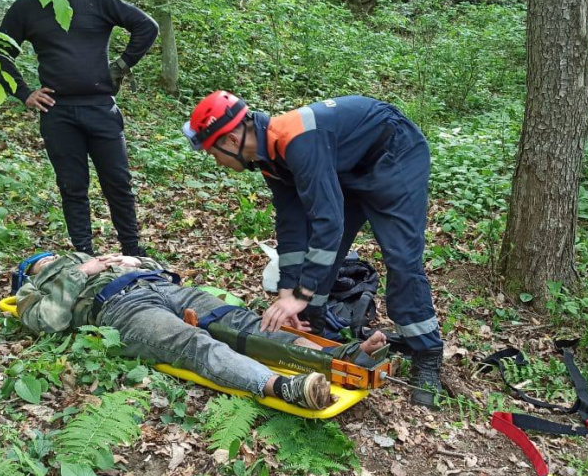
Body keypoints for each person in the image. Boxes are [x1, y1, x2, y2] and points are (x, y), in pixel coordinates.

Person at [182, 93, 445, 408]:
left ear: (233, 138)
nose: (216, 160)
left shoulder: (297, 141)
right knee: (320, 254)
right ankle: (318, 339)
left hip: (394, 155)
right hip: (347, 166)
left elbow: (329, 224)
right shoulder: (270, 159)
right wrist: (287, 293)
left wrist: (301, 293)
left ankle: (427, 353)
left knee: (401, 258)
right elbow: (292, 227)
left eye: (213, 152)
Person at [14, 252, 388, 410]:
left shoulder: (94, 257)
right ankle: (284, 387)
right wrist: (82, 273)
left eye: (50, 255)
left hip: (161, 287)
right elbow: (49, 322)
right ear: (31, 271)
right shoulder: (34, 288)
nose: (50, 257)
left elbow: (163, 268)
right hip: (119, 307)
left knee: (241, 321)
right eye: (41, 260)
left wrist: (133, 260)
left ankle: (340, 355)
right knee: (193, 343)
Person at [0, 0, 158, 257]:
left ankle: (133, 252)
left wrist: (121, 65)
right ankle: (84, 254)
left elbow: (146, 27)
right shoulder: (25, 9)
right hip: (58, 112)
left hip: (100, 107)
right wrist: (24, 93)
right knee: (72, 187)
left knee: (118, 184)